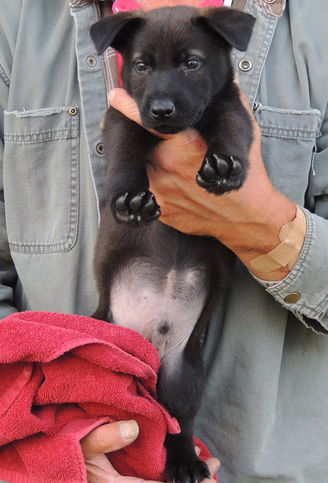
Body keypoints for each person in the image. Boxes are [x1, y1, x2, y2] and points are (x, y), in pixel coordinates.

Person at [1, 0, 328, 482]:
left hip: (269, 466)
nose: (162, 96)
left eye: (190, 64)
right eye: (144, 66)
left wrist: (259, 220)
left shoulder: (317, 27)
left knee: (180, 378)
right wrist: (43, 444)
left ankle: (179, 449)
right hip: (71, 431)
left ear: (223, 53)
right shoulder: (15, 21)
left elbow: (230, 124)